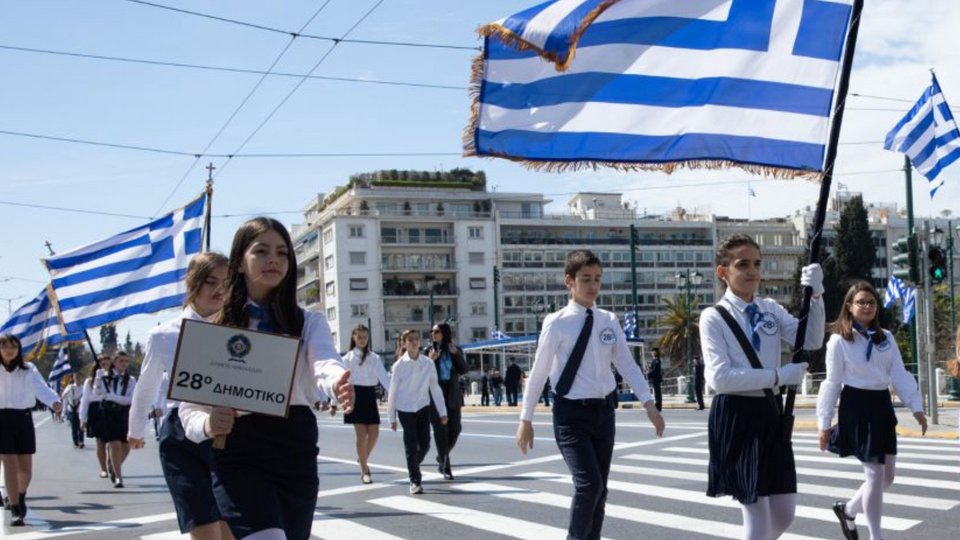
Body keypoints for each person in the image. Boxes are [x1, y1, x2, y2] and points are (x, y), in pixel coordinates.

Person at [179, 217, 354, 540]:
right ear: (240, 263)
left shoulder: (308, 321)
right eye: (261, 251)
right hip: (238, 450)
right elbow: (188, 407)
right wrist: (207, 424)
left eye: (282, 253)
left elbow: (324, 360)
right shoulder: (212, 329)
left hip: (294, 447)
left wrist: (337, 381)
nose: (274, 260)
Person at [516, 249, 665, 540]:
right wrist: (526, 418)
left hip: (603, 412)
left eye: (597, 279)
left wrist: (649, 404)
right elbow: (539, 371)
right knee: (589, 485)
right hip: (571, 414)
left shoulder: (608, 320)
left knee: (601, 489)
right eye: (585, 279)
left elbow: (626, 363)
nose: (593, 286)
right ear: (569, 282)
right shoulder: (557, 322)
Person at [699, 234, 824, 540]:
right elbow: (720, 378)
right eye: (743, 264)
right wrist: (779, 376)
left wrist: (818, 295)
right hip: (737, 415)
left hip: (771, 413)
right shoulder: (713, 317)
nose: (753, 271)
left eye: (757, 263)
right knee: (755, 508)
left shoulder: (770, 308)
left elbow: (811, 339)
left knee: (784, 512)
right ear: (723, 271)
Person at [127, 251, 235, 540]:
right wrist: (136, 429)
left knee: (230, 523)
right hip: (181, 436)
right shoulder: (164, 335)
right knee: (202, 521)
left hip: (228, 430)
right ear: (193, 284)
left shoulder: (239, 331)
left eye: (226, 282)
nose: (219, 289)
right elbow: (147, 385)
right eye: (211, 281)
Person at [816, 282, 927, 540]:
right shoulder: (839, 341)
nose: (867, 306)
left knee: (886, 478)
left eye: (871, 302)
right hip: (856, 406)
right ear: (849, 307)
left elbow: (898, 373)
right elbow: (831, 383)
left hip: (881, 406)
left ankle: (848, 510)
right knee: (874, 474)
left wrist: (916, 406)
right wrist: (824, 423)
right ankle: (876, 536)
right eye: (861, 302)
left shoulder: (885, 338)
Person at [0, 333, 63, 526]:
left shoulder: (28, 369)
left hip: (23, 418)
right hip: (1, 418)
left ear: (18, 349)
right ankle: (16, 508)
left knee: (25, 469)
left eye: (13, 346)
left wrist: (54, 401)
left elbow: (40, 388)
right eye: (4, 346)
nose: (9, 350)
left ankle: (20, 494)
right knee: (9, 463)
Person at [388, 329, 447, 494]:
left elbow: (435, 388)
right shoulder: (398, 366)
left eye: (416, 339)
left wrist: (443, 412)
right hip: (405, 409)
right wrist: (391, 418)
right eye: (410, 339)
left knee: (426, 443)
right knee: (411, 445)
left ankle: (414, 463)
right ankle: (415, 480)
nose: (414, 342)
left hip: (422, 406)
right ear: (404, 343)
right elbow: (392, 392)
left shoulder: (427, 363)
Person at [342, 324, 390, 485]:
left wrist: (395, 395)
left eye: (364, 337)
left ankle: (362, 458)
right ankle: (365, 470)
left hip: (370, 395)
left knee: (375, 434)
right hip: (355, 395)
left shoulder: (374, 357)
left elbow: (384, 378)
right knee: (361, 436)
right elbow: (343, 381)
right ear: (354, 338)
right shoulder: (347, 358)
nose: (362, 339)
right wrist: (337, 402)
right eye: (359, 336)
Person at [425, 323, 468, 480]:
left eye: (436, 331)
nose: (433, 334)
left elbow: (464, 370)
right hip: (436, 397)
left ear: (444, 333)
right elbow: (423, 374)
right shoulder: (427, 352)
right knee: (440, 432)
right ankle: (445, 466)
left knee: (455, 429)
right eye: (432, 332)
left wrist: (456, 355)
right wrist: (431, 361)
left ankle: (442, 455)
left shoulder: (454, 350)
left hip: (452, 395)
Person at [99, 351, 136, 488]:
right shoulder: (104, 377)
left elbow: (130, 399)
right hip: (109, 412)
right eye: (121, 361)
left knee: (126, 445)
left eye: (126, 361)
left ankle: (115, 466)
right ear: (114, 362)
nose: (124, 364)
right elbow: (100, 394)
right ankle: (119, 477)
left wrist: (114, 397)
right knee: (114, 443)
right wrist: (99, 380)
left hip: (124, 413)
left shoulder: (131, 380)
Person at [79, 355, 115, 480]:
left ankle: (112, 463)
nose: (105, 366)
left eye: (107, 364)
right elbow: (85, 400)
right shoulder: (90, 381)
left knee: (112, 441)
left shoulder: (114, 378)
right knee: (100, 442)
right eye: (102, 364)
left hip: (110, 409)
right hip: (96, 410)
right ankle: (103, 469)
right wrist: (82, 419)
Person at [61, 373, 85, 448]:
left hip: (80, 410)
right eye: (76, 377)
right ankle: (75, 441)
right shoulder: (70, 387)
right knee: (74, 427)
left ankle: (81, 441)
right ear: (74, 378)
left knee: (81, 426)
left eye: (79, 377)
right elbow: (64, 399)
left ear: (81, 378)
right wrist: (63, 413)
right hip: (71, 409)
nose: (78, 379)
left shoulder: (84, 388)